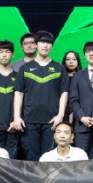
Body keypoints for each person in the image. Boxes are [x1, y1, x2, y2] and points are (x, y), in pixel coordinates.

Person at [13, 31, 69, 161]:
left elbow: (64, 93)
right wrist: (16, 117)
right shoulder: (25, 68)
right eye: (42, 42)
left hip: (52, 121)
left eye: (48, 43)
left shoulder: (59, 68)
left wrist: (60, 115)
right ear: (36, 45)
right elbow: (19, 93)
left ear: (52, 46)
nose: (45, 45)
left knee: (49, 159)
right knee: (31, 158)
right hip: (29, 121)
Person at [62, 50, 81, 123]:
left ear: (78, 62)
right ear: (64, 62)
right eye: (68, 59)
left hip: (79, 113)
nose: (71, 62)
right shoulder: (60, 77)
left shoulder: (83, 77)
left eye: (74, 59)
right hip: (62, 112)